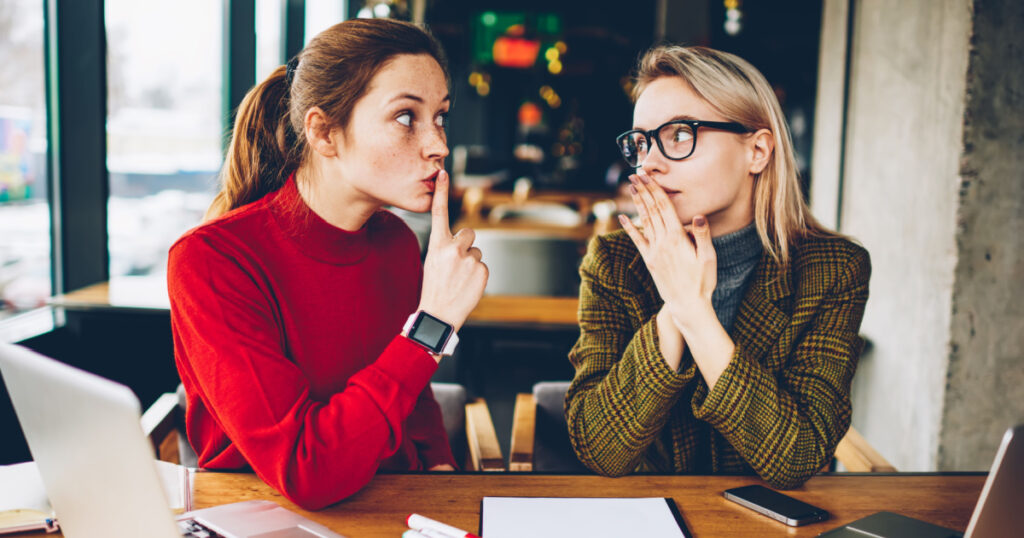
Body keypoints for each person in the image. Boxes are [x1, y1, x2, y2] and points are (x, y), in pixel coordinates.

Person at [167, 19, 487, 510]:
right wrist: (434, 324)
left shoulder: (397, 242)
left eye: (440, 116)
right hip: (268, 515)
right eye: (406, 117)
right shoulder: (211, 262)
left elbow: (409, 393)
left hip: (392, 508)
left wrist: (440, 474)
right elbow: (304, 468)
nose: (438, 144)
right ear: (323, 133)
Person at [565, 45, 871, 489]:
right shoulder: (616, 261)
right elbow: (601, 450)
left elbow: (798, 457)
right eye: (641, 142)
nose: (648, 162)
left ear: (758, 151)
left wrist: (694, 311)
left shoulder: (833, 270)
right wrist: (675, 307)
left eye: (679, 135)